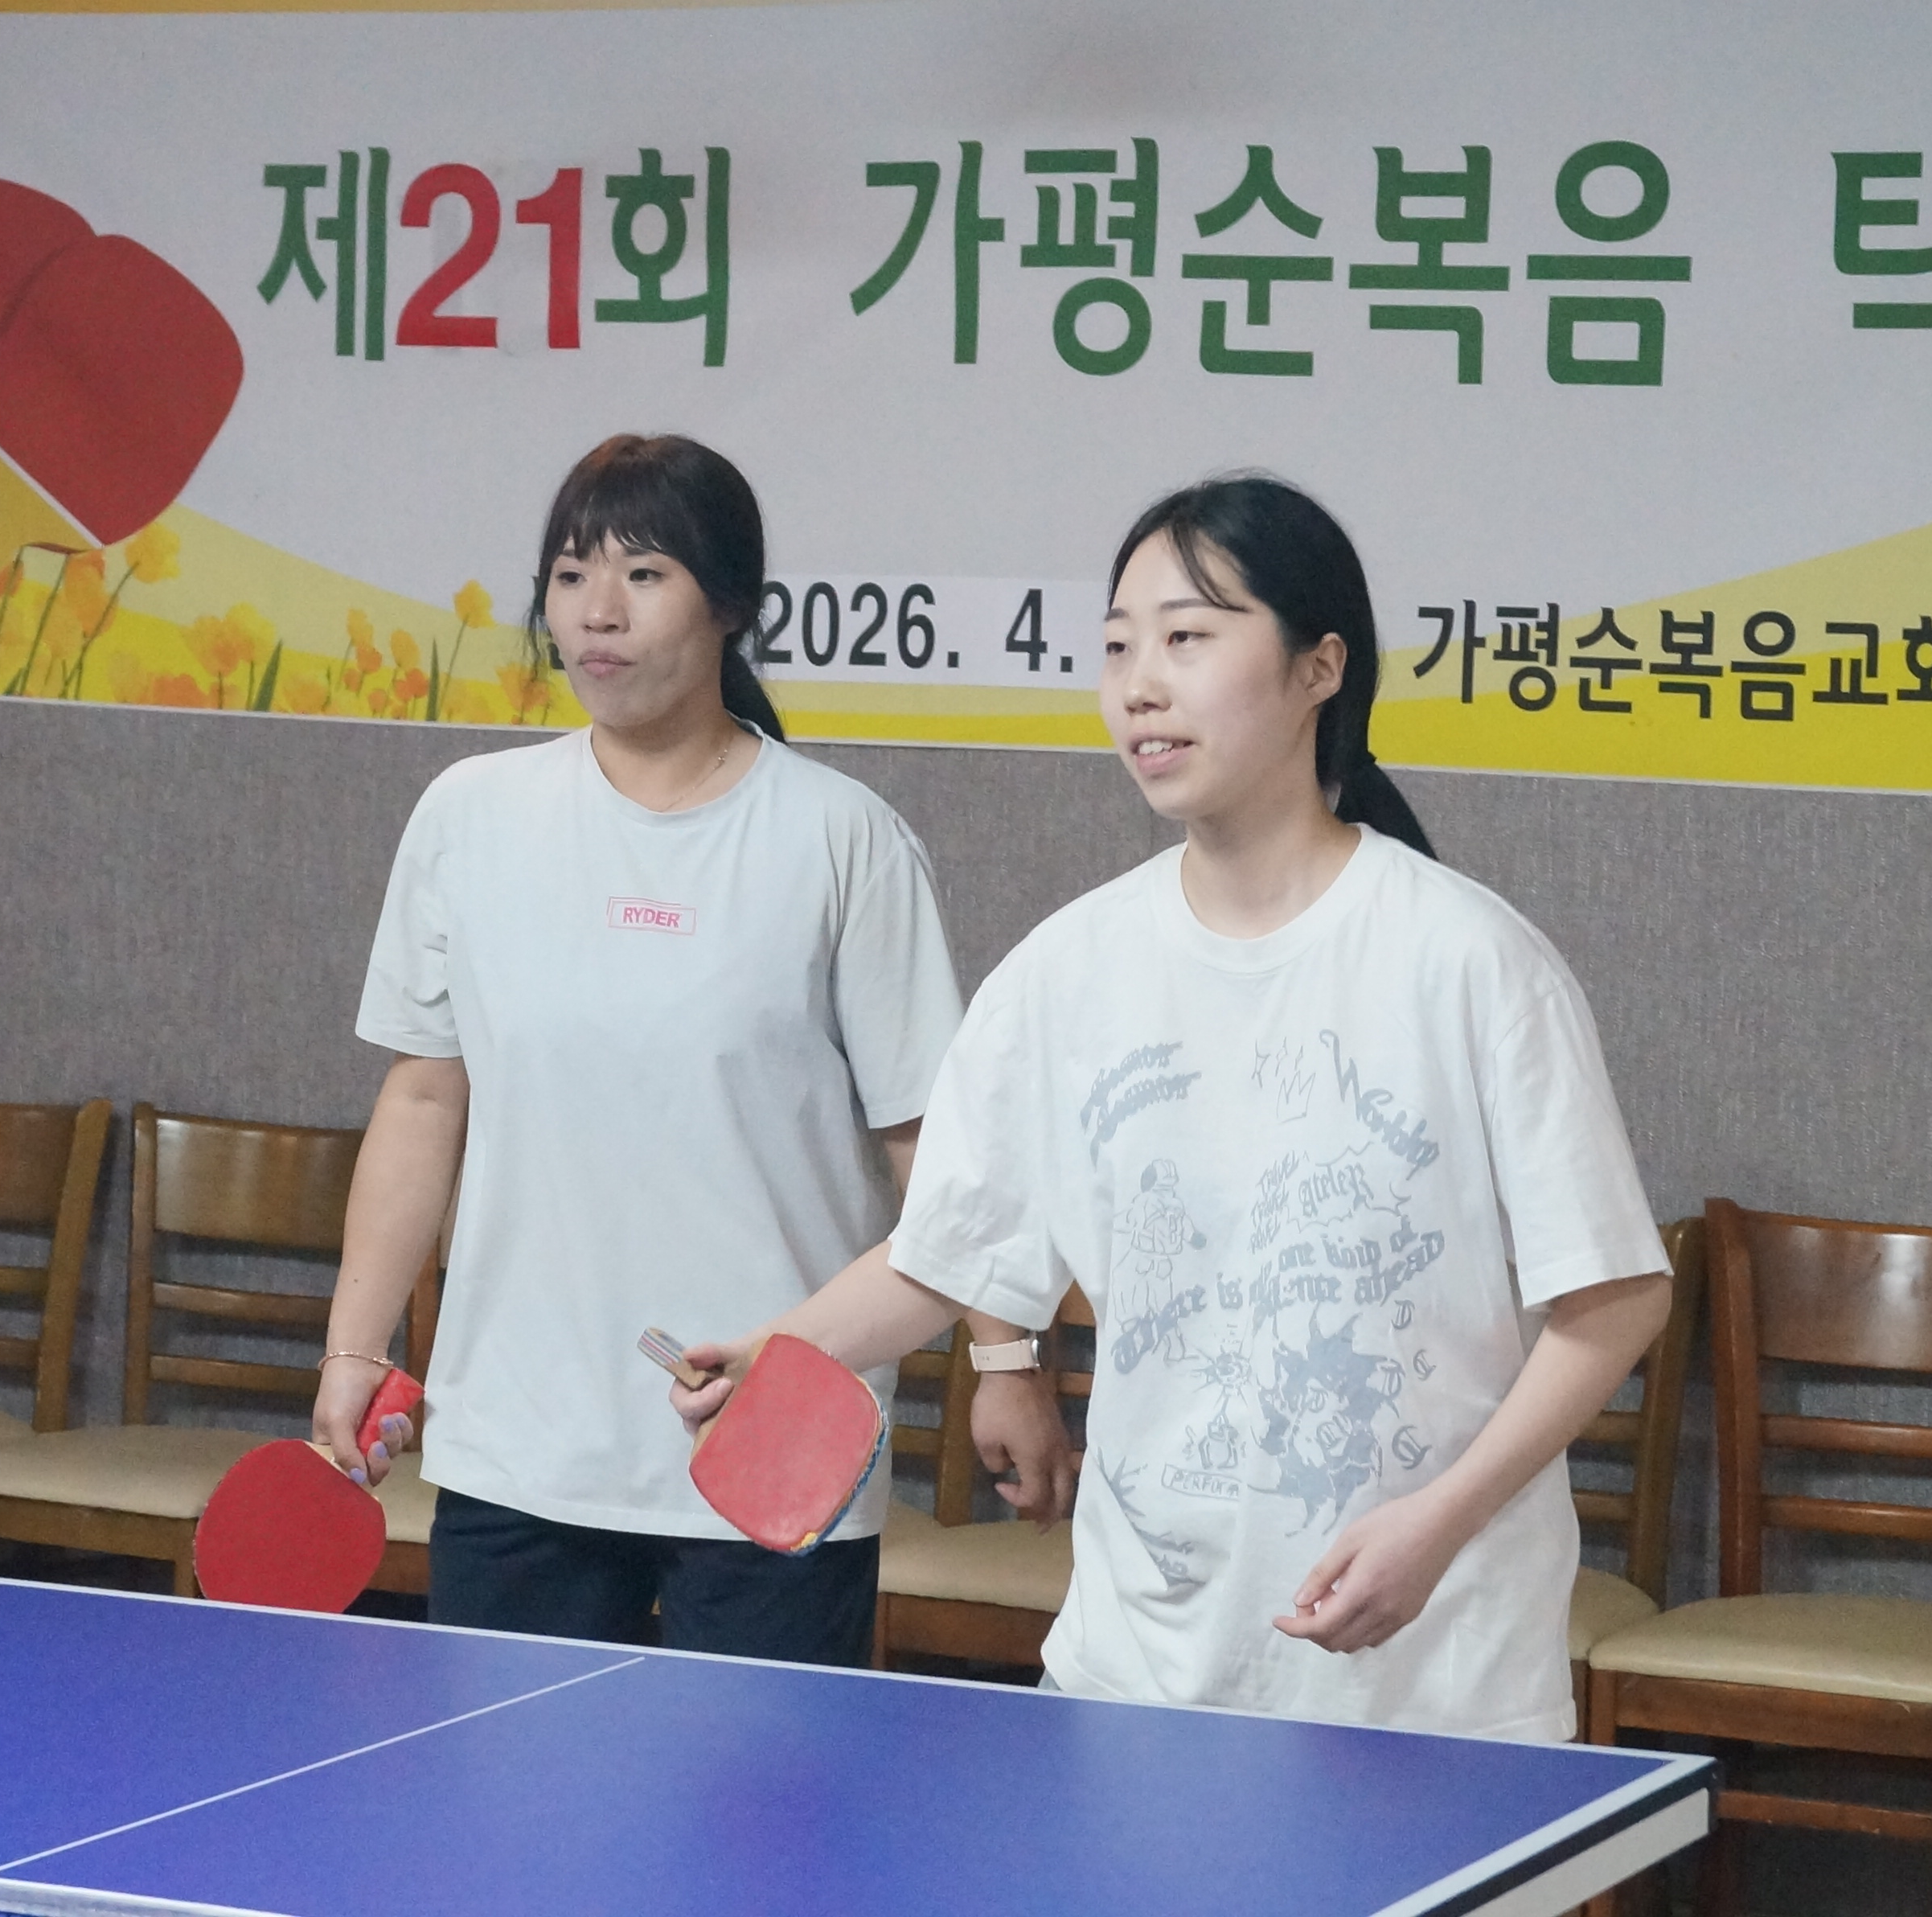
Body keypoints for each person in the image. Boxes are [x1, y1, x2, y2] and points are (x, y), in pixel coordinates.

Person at [668, 474, 1667, 1741]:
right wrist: (781, 1347)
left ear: (1320, 667)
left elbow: (1616, 1297)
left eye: (1188, 637)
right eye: (1118, 647)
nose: (1141, 684)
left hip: (1433, 1688)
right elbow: (946, 1253)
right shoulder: (1067, 971)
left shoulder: (1470, 960)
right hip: (1136, 1671)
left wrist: (1440, 1523)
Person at [312, 433, 1067, 1667]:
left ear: (731, 605)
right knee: (503, 1793)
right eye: (570, 575)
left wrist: (1007, 1363)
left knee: (763, 1800)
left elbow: (935, 1154)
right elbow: (423, 1102)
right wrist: (356, 1345)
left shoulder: (842, 840)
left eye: (644, 573)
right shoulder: (468, 818)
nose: (597, 612)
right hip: (518, 1448)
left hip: (775, 1448)